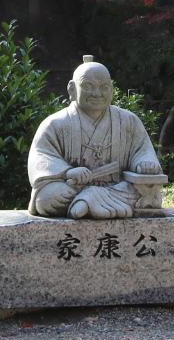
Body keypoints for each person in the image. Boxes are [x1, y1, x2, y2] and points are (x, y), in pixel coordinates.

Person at [27, 57, 163, 219]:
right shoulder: (55, 124)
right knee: (48, 198)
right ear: (72, 89)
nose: (97, 93)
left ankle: (88, 200)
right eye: (88, 86)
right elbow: (41, 156)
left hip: (117, 187)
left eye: (104, 87)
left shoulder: (128, 120)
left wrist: (144, 162)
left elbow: (142, 149)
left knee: (145, 192)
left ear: (111, 89)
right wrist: (68, 172)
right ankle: (91, 200)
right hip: (74, 188)